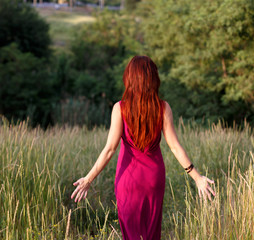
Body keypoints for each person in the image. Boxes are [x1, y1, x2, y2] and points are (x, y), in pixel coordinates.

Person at [71, 56, 215, 240]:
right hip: (153, 180)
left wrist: (88, 179)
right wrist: (197, 177)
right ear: (153, 79)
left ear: (129, 78)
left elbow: (109, 149)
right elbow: (175, 147)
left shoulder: (120, 108)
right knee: (151, 233)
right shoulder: (163, 108)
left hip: (128, 181)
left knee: (131, 234)